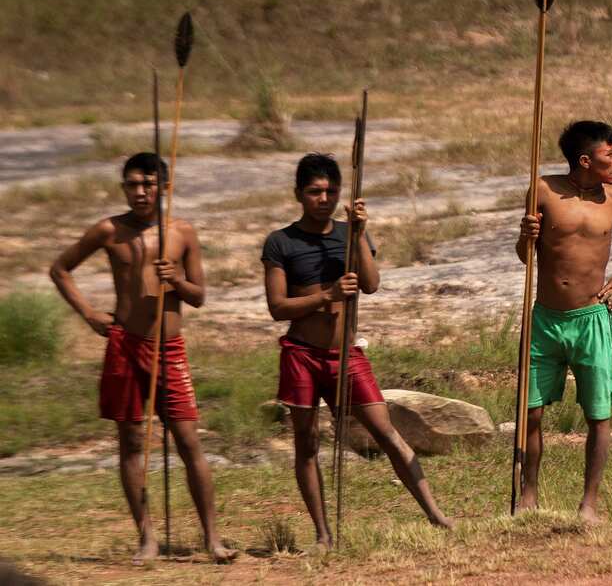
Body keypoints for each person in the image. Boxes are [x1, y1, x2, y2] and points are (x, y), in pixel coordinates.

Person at [49, 153, 236, 565]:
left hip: (169, 349)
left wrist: (178, 280)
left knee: (188, 441)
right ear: (124, 188)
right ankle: (147, 539)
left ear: (164, 187)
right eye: (132, 185)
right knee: (132, 441)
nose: (140, 192)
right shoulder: (108, 230)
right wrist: (89, 314)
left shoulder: (182, 232)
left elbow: (199, 297)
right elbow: (60, 269)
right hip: (126, 344)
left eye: (148, 184)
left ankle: (212, 539)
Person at [262, 153, 452, 549]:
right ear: (299, 194)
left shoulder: (351, 233)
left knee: (388, 434)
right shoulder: (281, 242)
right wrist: (326, 295)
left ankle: (436, 515)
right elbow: (277, 307)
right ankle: (323, 534)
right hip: (300, 354)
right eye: (315, 191)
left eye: (331, 191)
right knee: (307, 443)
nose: (324, 198)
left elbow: (371, 284)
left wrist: (359, 234)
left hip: (346, 355)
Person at [515, 121, 612, 523]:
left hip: (592, 319)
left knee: (598, 414)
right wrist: (526, 237)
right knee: (533, 412)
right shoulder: (542, 190)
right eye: (610, 155)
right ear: (584, 160)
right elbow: (525, 258)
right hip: (545, 318)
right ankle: (529, 494)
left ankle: (589, 504)